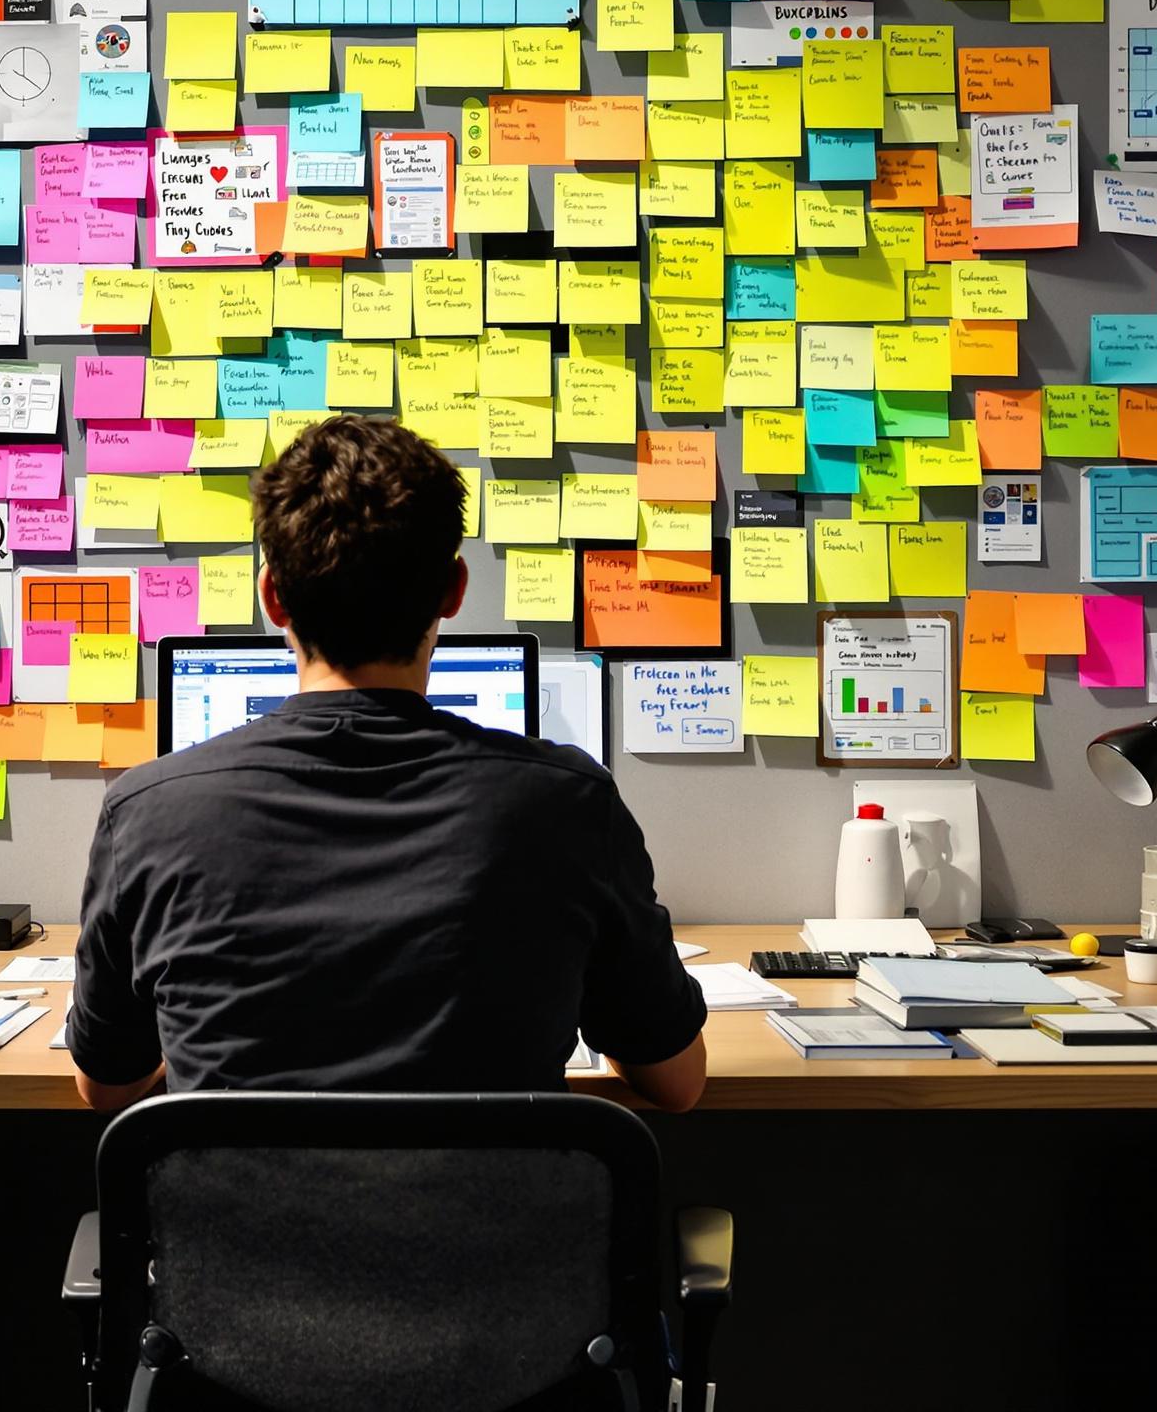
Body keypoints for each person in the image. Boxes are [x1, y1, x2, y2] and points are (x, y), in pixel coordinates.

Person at [68, 414, 706, 1114]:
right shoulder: (570, 804)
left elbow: (108, 1087)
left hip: (236, 1225)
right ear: (454, 591)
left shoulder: (148, 814)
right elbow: (675, 1084)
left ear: (273, 595)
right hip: (496, 1225)